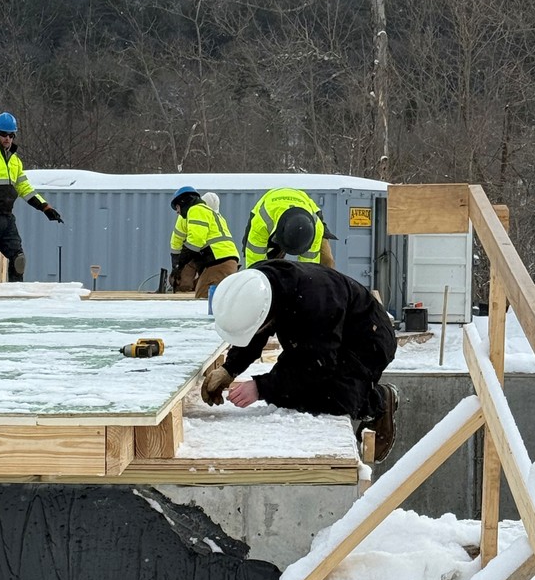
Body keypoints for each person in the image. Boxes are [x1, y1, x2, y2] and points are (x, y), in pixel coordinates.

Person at [201, 261, 399, 461]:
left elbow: (317, 366)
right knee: (288, 392)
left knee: (333, 400)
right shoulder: (258, 284)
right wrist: (229, 370)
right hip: (315, 339)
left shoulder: (316, 303)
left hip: (367, 339)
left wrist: (261, 387)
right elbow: (254, 332)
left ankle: (378, 400)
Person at [0, 112, 62, 283]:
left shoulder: (14, 161)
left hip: (7, 218)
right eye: (3, 134)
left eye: (11, 135)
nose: (7, 138)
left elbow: (24, 188)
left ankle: (14, 296)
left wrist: (45, 207)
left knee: (18, 260)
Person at [168, 186, 239, 299]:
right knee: (216, 298)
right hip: (222, 261)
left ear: (183, 202)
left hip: (217, 263)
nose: (177, 212)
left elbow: (195, 242)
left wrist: (179, 264)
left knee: (204, 298)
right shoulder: (209, 212)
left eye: (177, 207)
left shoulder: (196, 210)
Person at [242, 187, 337, 269]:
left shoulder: (316, 228)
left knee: (326, 259)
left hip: (307, 211)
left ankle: (328, 287)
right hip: (271, 214)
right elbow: (254, 262)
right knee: (270, 265)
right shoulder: (262, 223)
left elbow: (309, 266)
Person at [169, 190, 223, 292]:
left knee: (205, 284)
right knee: (183, 283)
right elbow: (177, 241)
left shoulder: (210, 215)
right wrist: (177, 264)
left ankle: (197, 286)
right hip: (190, 253)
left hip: (204, 254)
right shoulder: (187, 215)